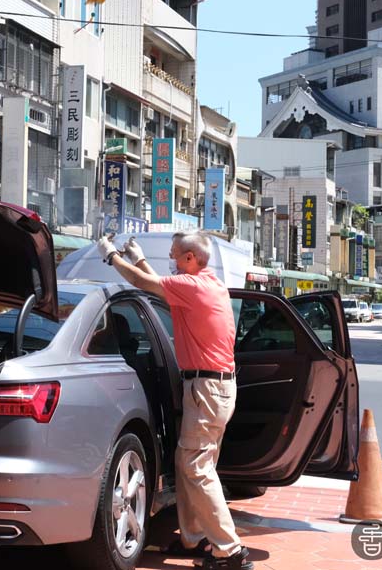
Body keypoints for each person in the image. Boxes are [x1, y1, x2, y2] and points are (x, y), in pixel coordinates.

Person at [97, 232, 252, 570]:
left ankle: (230, 550)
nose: (170, 257)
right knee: (191, 463)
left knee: (196, 467)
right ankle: (194, 538)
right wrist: (138, 257)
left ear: (190, 259)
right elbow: (157, 282)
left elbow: (143, 282)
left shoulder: (194, 287)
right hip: (216, 388)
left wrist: (111, 257)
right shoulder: (207, 284)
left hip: (207, 389)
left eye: (174, 254)